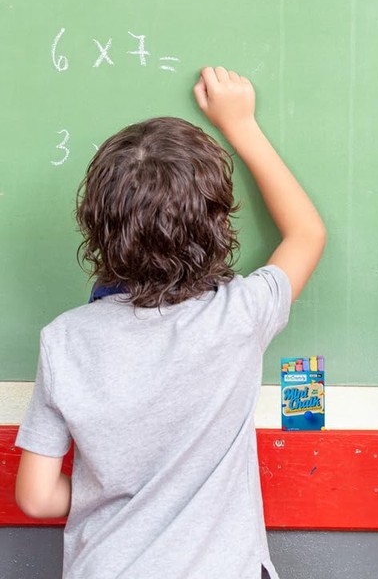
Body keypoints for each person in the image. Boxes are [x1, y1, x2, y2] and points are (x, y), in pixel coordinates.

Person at [15, 67, 326, 579]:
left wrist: (116, 493)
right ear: (217, 225)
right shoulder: (240, 314)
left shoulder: (64, 340)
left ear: (96, 226)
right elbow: (306, 233)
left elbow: (36, 497)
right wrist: (241, 124)